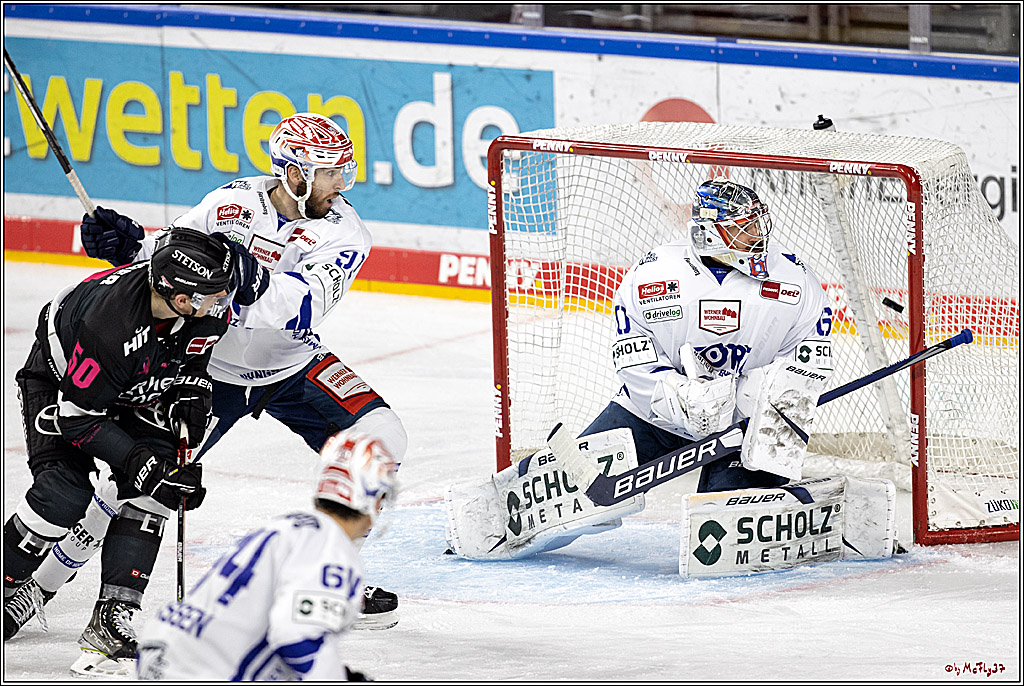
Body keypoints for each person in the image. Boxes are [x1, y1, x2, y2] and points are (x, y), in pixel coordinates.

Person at [19, 113, 408, 641]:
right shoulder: (233, 199)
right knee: (141, 481)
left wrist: (251, 276)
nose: (342, 184)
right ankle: (38, 588)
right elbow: (175, 251)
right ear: (296, 174)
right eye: (331, 173)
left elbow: (302, 307)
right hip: (206, 367)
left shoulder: (345, 232)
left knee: (382, 437)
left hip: (290, 365)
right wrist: (130, 243)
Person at [445, 178, 848, 560]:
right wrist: (680, 397)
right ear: (708, 234)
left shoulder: (794, 279)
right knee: (571, 491)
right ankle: (488, 524)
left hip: (752, 424)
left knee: (728, 527)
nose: (756, 236)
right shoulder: (653, 274)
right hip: (654, 415)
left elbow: (812, 358)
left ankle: (818, 518)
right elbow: (633, 357)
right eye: (742, 229)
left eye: (757, 224)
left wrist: (749, 394)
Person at [2, 228, 254, 673]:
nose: (219, 306)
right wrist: (141, 463)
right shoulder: (111, 323)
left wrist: (193, 394)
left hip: (133, 386)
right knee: (64, 493)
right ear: (174, 291)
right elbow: (78, 417)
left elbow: (193, 358)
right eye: (209, 296)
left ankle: (113, 617)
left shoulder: (205, 309)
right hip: (63, 386)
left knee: (160, 487)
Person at [136, 430, 398, 681]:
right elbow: (297, 637)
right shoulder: (333, 549)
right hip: (200, 669)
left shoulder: (289, 526)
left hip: (166, 649)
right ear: (372, 497)